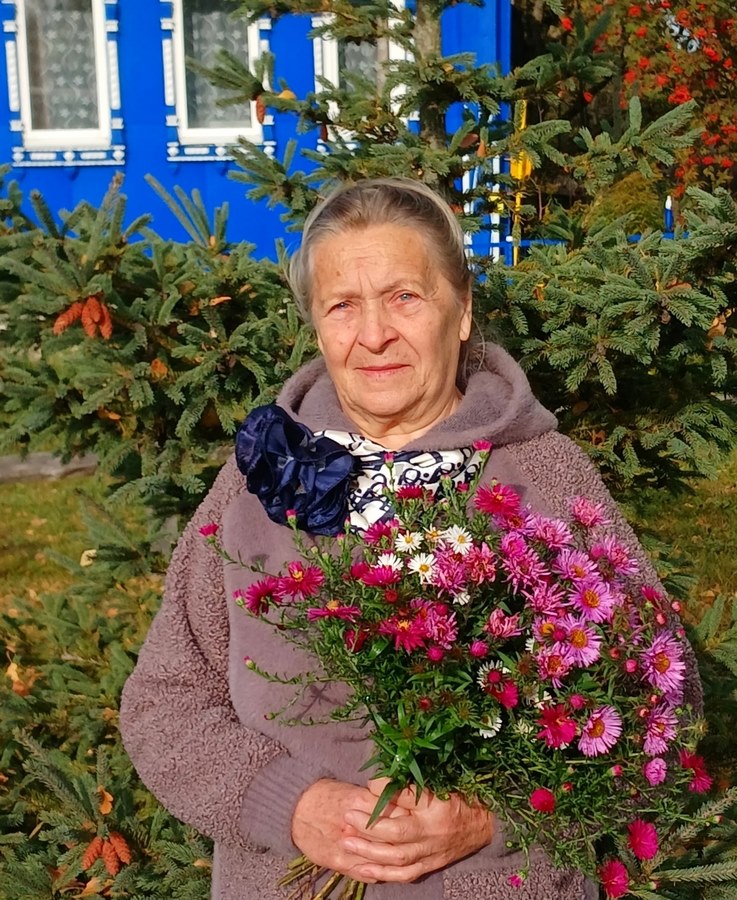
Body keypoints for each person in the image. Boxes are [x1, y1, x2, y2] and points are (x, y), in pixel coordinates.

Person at [120, 177, 699, 900]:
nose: (373, 335)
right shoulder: (259, 480)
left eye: (404, 297)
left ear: (462, 311)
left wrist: (493, 818)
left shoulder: (541, 473)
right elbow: (164, 703)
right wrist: (288, 804)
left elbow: (666, 706)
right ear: (316, 326)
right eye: (342, 305)